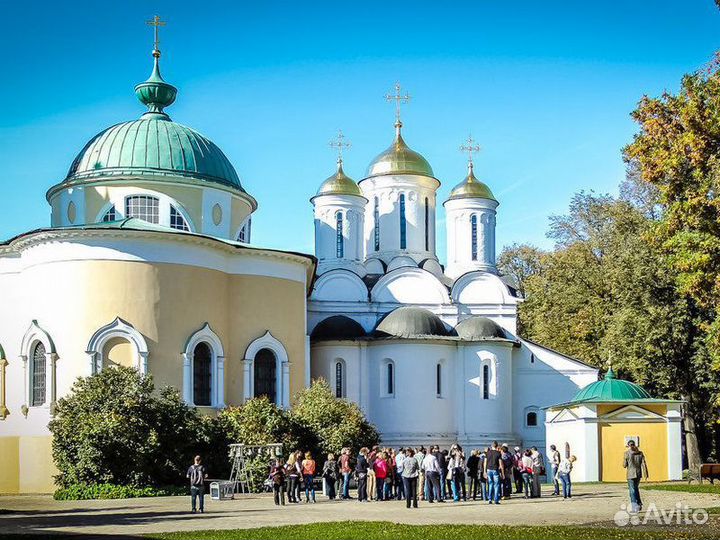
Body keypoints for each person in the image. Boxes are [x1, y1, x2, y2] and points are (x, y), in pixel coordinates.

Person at [623, 440, 649, 513]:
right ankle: (639, 503)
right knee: (636, 489)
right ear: (634, 445)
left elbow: (624, 465)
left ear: (628, 445)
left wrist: (625, 459)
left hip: (630, 475)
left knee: (632, 491)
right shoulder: (640, 453)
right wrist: (646, 474)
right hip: (638, 474)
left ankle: (635, 507)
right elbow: (644, 464)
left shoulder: (627, 453)